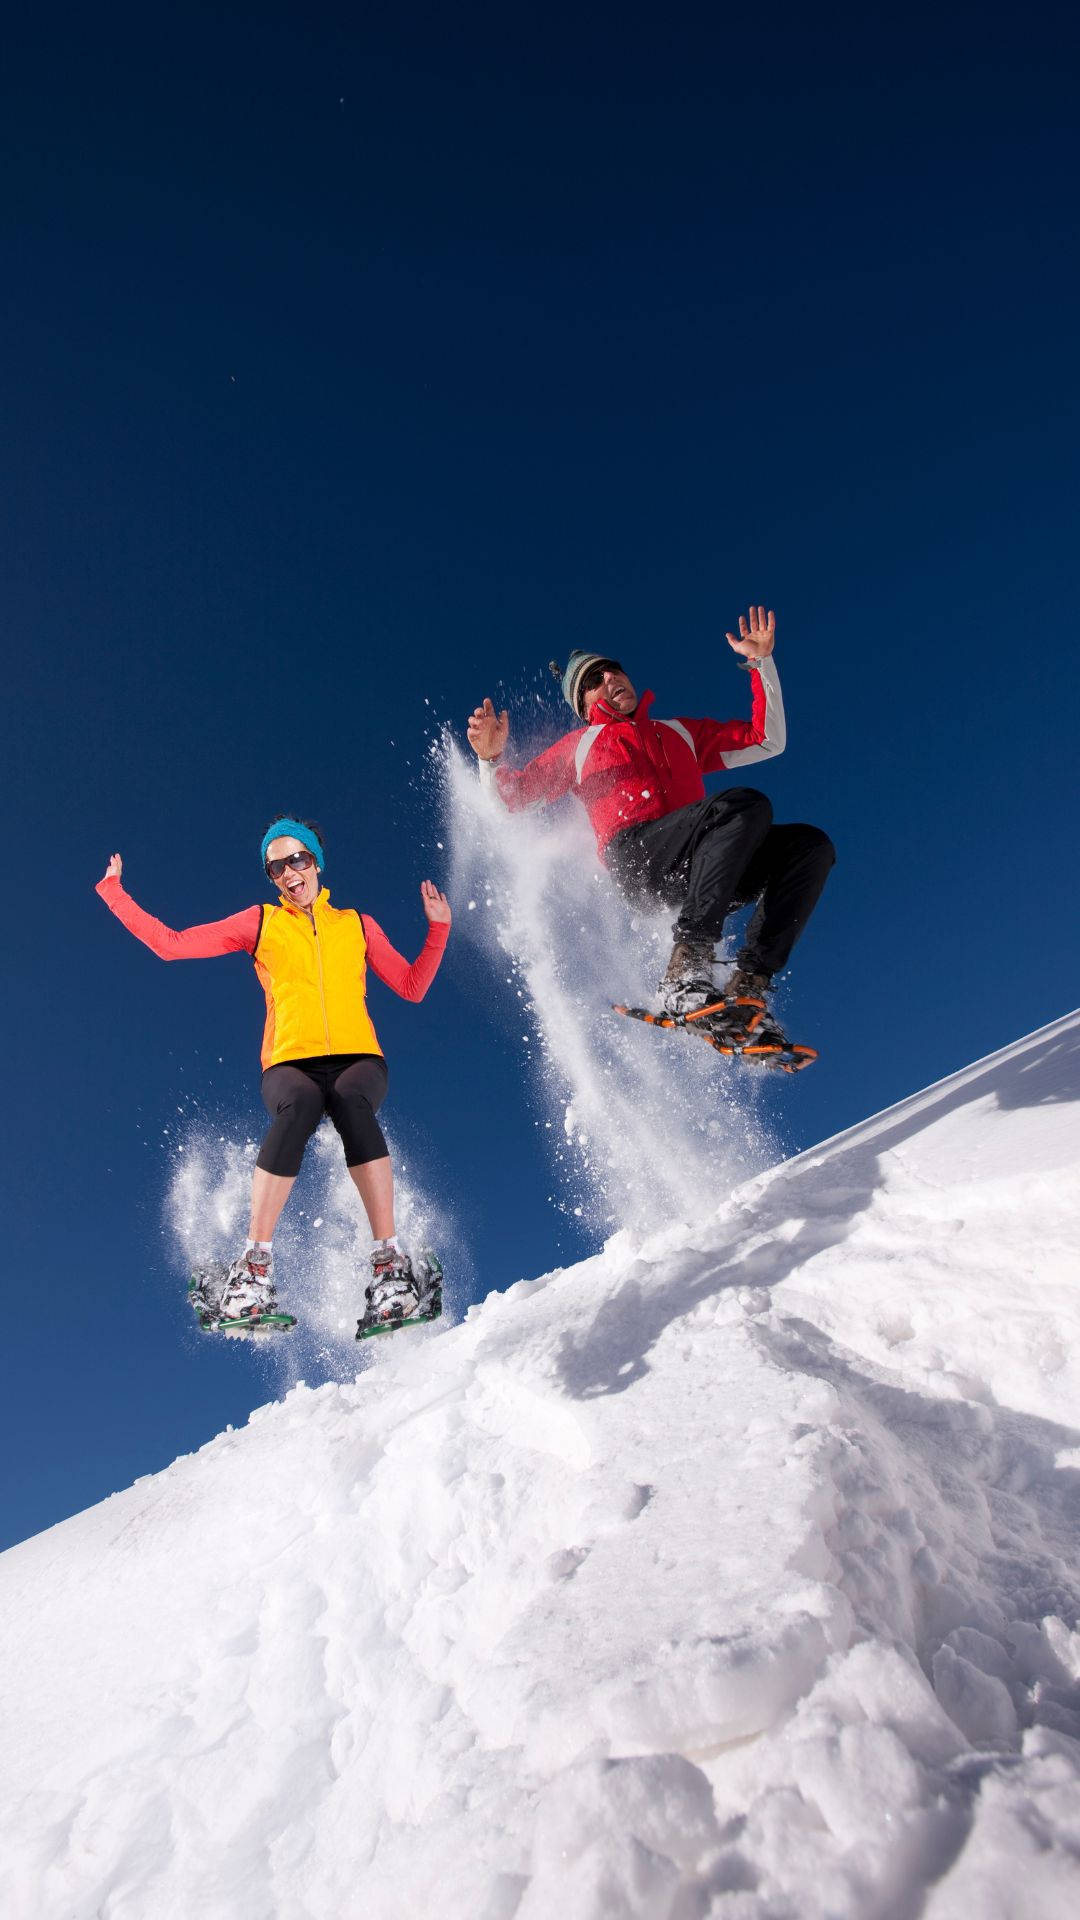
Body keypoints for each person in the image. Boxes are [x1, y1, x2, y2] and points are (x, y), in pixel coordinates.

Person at [96, 816, 452, 1326]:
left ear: (316, 862)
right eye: (276, 866)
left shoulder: (357, 925)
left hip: (358, 1059)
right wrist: (114, 893)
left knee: (352, 1104)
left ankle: (389, 1265)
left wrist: (438, 928)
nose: (288, 872)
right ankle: (253, 1270)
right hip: (288, 1062)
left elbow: (412, 986)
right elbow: (171, 944)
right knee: (300, 1106)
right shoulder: (261, 922)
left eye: (297, 859)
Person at [466, 607, 833, 1054]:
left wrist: (761, 665)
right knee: (744, 805)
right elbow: (512, 800)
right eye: (594, 682)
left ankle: (749, 987)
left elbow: (766, 739)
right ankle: (685, 969)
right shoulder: (580, 746)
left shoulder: (677, 732)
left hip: (704, 869)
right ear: (584, 706)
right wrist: (490, 761)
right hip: (639, 860)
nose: (609, 681)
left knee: (809, 846)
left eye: (612, 671)